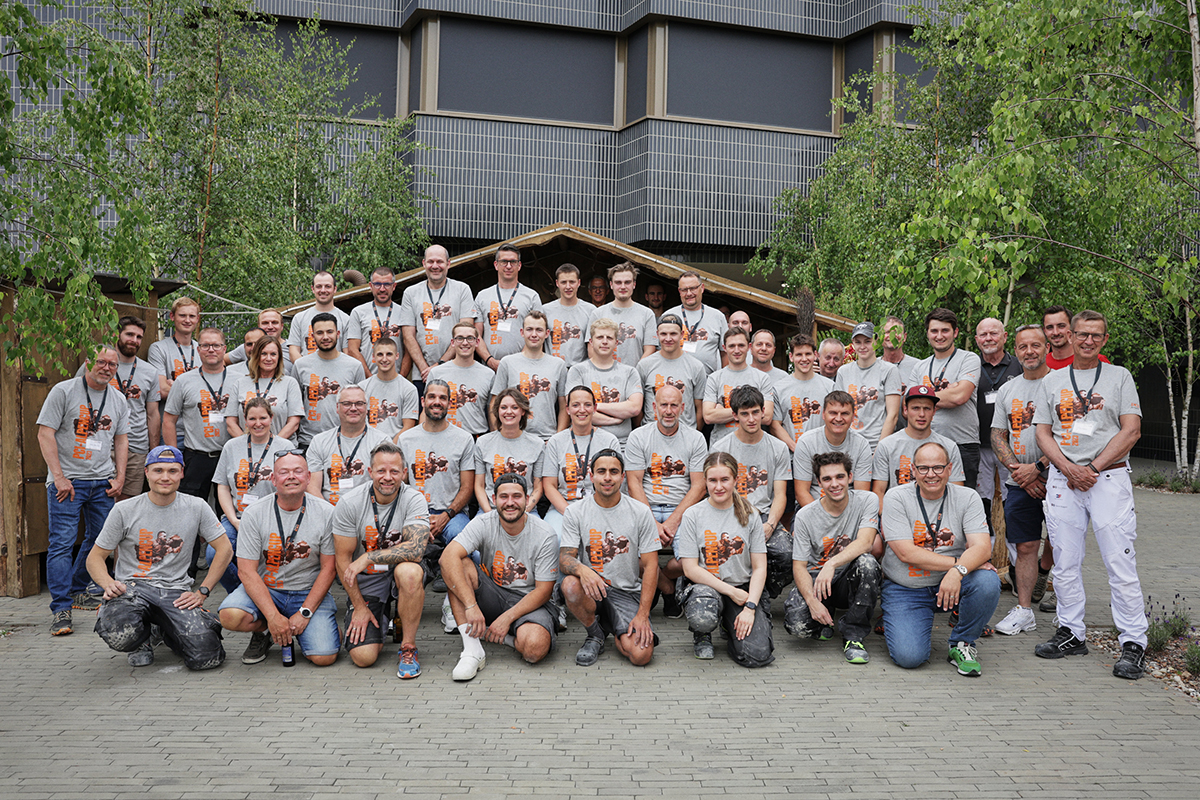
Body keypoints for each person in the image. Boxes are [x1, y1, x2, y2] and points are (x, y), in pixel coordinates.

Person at [1033, 310, 1147, 679]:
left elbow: (1131, 430)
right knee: (1065, 561)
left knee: (1119, 560)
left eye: (1096, 335)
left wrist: (1093, 468)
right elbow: (1042, 432)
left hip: (1107, 478)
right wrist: (1068, 468)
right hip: (1063, 480)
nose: (1088, 341)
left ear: (1105, 339)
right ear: (1069, 335)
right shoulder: (1052, 380)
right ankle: (1071, 631)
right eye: (1082, 334)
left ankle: (1134, 642)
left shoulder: (1119, 377)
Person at [88, 445, 231, 668]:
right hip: (132, 589)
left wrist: (203, 590)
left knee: (206, 657)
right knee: (118, 631)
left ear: (182, 473)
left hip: (175, 591)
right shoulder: (124, 509)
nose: (165, 477)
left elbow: (225, 548)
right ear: (147, 472)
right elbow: (95, 557)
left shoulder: (196, 506)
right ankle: (140, 640)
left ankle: (166, 629)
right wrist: (108, 584)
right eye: (158, 470)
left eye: (172, 471)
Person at [880, 441, 1000, 675]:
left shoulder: (968, 497)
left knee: (987, 581)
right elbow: (906, 553)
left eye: (938, 467)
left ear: (949, 469)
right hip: (906, 587)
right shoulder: (896, 497)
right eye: (923, 468)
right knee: (910, 657)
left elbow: (983, 548)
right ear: (913, 470)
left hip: (952, 583)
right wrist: (957, 566)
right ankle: (902, 618)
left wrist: (957, 573)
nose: (931, 474)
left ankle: (962, 643)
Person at [37, 345, 130, 634]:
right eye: (101, 362)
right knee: (62, 544)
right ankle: (61, 609)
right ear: (88, 363)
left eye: (112, 364)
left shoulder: (118, 399)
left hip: (102, 482)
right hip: (68, 483)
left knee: (101, 541)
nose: (106, 368)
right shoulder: (64, 391)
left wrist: (120, 477)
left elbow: (121, 439)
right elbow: (45, 433)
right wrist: (59, 477)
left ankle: (78, 589)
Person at [217, 451, 340, 668]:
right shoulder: (254, 513)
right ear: (273, 479)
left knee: (324, 657)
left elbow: (329, 569)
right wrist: (272, 616)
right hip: (269, 589)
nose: (291, 476)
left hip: (306, 591)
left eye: (298, 471)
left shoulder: (327, 512)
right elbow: (246, 571)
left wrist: (305, 613)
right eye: (284, 472)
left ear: (308, 477)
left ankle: (314, 628)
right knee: (230, 616)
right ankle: (267, 629)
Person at [440, 474, 560, 680]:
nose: (510, 502)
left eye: (516, 496)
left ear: (527, 499)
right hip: (492, 593)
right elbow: (447, 557)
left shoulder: (545, 533)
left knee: (534, 650)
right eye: (504, 497)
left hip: (528, 601)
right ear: (494, 499)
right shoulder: (483, 522)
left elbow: (544, 591)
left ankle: (499, 635)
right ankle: (472, 650)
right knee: (457, 564)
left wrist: (506, 619)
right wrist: (471, 606)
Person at [334, 442, 433, 677]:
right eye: (381, 471)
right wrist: (359, 607)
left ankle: (408, 647)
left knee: (410, 572)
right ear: (370, 472)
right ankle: (385, 615)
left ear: (404, 473)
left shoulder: (414, 498)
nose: (387, 477)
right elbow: (342, 560)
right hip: (369, 580)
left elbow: (416, 549)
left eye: (394, 471)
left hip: (400, 571)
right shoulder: (350, 502)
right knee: (363, 657)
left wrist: (369, 557)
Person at [560, 450, 660, 666]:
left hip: (627, 592)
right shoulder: (575, 511)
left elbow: (652, 566)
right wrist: (583, 570)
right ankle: (595, 634)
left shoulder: (640, 512)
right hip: (592, 589)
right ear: (591, 475)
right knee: (569, 585)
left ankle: (614, 627)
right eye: (601, 471)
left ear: (623, 477)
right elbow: (565, 559)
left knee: (641, 655)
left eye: (614, 472)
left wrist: (643, 614)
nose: (607, 477)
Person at [676, 452, 774, 666]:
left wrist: (750, 607)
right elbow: (690, 569)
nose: (719, 486)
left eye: (725, 479)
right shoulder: (693, 515)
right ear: (705, 481)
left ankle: (730, 625)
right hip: (707, 588)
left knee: (756, 655)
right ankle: (702, 633)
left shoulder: (751, 515)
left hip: (742, 591)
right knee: (703, 613)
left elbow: (759, 567)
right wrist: (729, 591)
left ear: (735, 480)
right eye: (713, 480)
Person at [783, 452, 881, 664]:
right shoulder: (805, 516)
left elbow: (866, 542)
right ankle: (824, 617)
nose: (834, 484)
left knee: (868, 563)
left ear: (850, 477)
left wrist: (832, 563)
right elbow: (799, 566)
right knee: (798, 625)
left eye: (840, 477)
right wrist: (811, 601)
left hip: (847, 578)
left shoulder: (867, 500)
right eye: (827, 479)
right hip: (817, 582)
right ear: (819, 483)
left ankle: (854, 634)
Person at [990, 324, 1052, 636]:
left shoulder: (1060, 385)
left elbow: (1068, 437)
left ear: (1047, 348)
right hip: (1020, 482)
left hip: (1059, 480)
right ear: (1015, 351)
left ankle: (1069, 611)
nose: (1030, 351)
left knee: (1065, 545)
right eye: (1023, 346)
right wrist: (1021, 473)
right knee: (1026, 546)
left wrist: (1038, 468)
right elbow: (997, 435)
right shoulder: (1008, 390)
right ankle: (1024, 610)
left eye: (1036, 345)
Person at [625, 385, 708, 617]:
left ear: (683, 408)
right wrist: (651, 521)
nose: (669, 411)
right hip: (645, 508)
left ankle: (661, 579)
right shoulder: (638, 437)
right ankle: (668, 589)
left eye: (674, 405)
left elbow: (699, 486)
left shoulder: (696, 439)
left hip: (682, 510)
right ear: (654, 407)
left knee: (695, 560)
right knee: (627, 556)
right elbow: (633, 483)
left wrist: (672, 521)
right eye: (664, 405)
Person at [710, 386, 793, 599]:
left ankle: (761, 592)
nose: (751, 419)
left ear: (763, 411)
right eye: (745, 414)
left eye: (755, 412)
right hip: (729, 515)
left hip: (763, 515)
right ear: (735, 415)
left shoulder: (778, 448)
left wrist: (770, 525)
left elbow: (780, 494)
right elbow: (715, 494)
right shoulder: (721, 448)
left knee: (787, 554)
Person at [210, 396, 296, 592]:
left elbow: (292, 489)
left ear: (271, 418)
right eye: (252, 419)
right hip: (238, 517)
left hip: (272, 518)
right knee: (213, 554)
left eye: (263, 418)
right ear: (245, 420)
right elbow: (222, 486)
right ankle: (243, 591)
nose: (258, 424)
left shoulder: (285, 447)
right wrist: (233, 520)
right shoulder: (231, 447)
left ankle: (260, 592)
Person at [75, 316, 160, 500]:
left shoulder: (150, 372)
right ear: (116, 334)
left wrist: (154, 453)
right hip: (100, 444)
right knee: (100, 503)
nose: (134, 340)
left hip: (136, 448)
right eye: (129, 334)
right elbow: (77, 401)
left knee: (128, 504)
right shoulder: (95, 364)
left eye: (139, 337)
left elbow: (153, 414)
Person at [913, 308, 982, 489]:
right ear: (928, 333)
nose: (939, 336)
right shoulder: (919, 367)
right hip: (926, 444)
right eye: (934, 331)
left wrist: (923, 398)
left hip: (963, 444)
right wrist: (949, 391)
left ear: (955, 332)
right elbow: (910, 408)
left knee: (963, 500)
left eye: (945, 330)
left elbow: (960, 396)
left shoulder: (969, 359)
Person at [541, 385, 621, 539]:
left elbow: (616, 482)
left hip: (601, 508)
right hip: (563, 509)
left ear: (595, 408)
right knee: (554, 539)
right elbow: (549, 486)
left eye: (587, 405)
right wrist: (571, 513)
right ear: (568, 409)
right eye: (576, 405)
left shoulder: (609, 441)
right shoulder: (556, 442)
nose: (582, 410)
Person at [162, 328, 232, 501]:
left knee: (227, 508)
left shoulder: (240, 379)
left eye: (216, 345)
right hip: (196, 457)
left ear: (224, 349)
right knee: (190, 507)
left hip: (229, 456)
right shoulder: (183, 381)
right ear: (198, 349)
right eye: (205, 345)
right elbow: (169, 420)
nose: (211, 350)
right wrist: (175, 458)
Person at [870, 385, 967, 505]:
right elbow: (878, 493)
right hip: (898, 510)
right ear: (905, 410)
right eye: (915, 408)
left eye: (927, 408)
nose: (921, 414)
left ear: (934, 411)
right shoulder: (887, 445)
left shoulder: (949, 447)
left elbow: (957, 493)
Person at [399, 244, 475, 392]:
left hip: (455, 369)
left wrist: (440, 365)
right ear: (424, 263)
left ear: (448, 264)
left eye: (440, 261)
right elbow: (408, 336)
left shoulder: (462, 290)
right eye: (430, 261)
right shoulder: (411, 293)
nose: (435, 266)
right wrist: (425, 369)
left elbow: (466, 331)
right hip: (421, 374)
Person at [974, 317, 1023, 534]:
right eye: (983, 335)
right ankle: (987, 542)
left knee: (1012, 494)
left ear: (1004, 337)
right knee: (981, 498)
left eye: (993, 333)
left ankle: (1012, 543)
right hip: (979, 444)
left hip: (1010, 446)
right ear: (977, 339)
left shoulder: (1019, 365)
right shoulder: (971, 366)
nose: (988, 338)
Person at [566, 318, 643, 449]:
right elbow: (577, 411)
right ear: (591, 341)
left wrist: (594, 407)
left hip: (621, 445)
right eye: (600, 337)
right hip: (585, 444)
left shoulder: (630, 372)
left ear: (616, 342)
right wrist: (613, 420)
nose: (605, 341)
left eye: (609, 338)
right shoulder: (577, 371)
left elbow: (634, 408)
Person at [305, 386, 390, 505]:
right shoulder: (319, 441)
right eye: (347, 404)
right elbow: (312, 487)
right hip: (328, 511)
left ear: (367, 408)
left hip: (367, 511)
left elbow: (385, 484)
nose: (353, 408)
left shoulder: (381, 442)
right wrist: (329, 513)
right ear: (337, 407)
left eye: (359, 403)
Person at [491, 310, 567, 441]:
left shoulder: (558, 365)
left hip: (547, 438)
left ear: (547, 333)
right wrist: (501, 435)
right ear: (522, 332)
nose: (534, 334)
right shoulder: (507, 363)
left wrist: (556, 440)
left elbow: (564, 407)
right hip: (514, 437)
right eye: (529, 329)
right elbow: (494, 403)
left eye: (539, 330)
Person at [293, 313, 367, 447]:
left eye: (330, 332)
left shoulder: (354, 366)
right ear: (312, 336)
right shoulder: (300, 365)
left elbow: (362, 406)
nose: (325, 337)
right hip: (308, 441)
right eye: (320, 333)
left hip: (345, 440)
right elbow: (295, 406)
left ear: (338, 334)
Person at [792, 391, 873, 508]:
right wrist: (824, 516)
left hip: (849, 509)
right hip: (812, 507)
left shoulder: (862, 445)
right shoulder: (806, 442)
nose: (839, 418)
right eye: (833, 413)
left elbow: (861, 494)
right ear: (823, 414)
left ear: (853, 416)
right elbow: (801, 493)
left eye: (845, 413)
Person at [834, 321, 902, 453]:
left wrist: (879, 450)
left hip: (877, 444)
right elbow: (839, 410)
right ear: (853, 344)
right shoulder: (843, 371)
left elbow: (893, 415)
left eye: (867, 341)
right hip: (848, 446)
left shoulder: (889, 370)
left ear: (876, 342)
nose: (862, 346)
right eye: (858, 342)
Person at [475, 388, 545, 513]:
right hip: (490, 509)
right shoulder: (483, 443)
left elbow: (538, 487)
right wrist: (489, 513)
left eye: (514, 407)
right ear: (497, 411)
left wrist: (523, 512)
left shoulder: (537, 444)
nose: (508, 412)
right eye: (503, 407)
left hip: (526, 511)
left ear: (523, 411)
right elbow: (479, 486)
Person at [474, 244, 544, 368]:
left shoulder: (531, 296)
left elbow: (538, 334)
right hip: (488, 368)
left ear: (519, 265)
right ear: (496, 265)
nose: (508, 266)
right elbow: (476, 334)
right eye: (504, 262)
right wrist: (490, 360)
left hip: (522, 367)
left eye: (513, 262)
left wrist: (518, 362)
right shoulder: (482, 296)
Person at [226, 334, 303, 441]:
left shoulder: (290, 383)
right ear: (256, 356)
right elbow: (231, 422)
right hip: (247, 448)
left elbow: (294, 422)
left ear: (279, 357)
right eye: (263, 354)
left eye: (273, 354)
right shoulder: (240, 383)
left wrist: (272, 444)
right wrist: (247, 444)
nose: (268, 358)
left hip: (282, 447)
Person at [636, 313, 707, 431]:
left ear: (682, 334)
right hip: (651, 433)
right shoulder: (644, 365)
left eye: (673, 334)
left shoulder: (696, 366)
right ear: (657, 334)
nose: (668, 339)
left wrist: (692, 433)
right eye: (663, 334)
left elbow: (700, 408)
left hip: (685, 433)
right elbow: (638, 406)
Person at [702, 327, 775, 435]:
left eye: (741, 345)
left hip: (752, 441)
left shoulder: (762, 378)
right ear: (724, 348)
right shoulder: (714, 378)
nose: (736, 350)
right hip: (721, 442)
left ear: (749, 347)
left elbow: (767, 417)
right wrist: (754, 411)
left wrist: (722, 411)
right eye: (732, 346)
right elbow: (708, 416)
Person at [427, 322, 495, 436]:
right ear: (452, 342)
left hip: (476, 438)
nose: (465, 343)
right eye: (460, 338)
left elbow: (492, 411)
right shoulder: (436, 373)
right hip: (444, 437)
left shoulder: (489, 375)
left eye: (470, 338)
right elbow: (427, 410)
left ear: (477, 342)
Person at [769, 333, 834, 451]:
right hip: (791, 455)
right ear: (791, 357)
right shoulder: (779, 388)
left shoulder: (830, 387)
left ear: (815, 355)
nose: (804, 359)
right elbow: (775, 425)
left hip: (823, 453)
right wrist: (796, 448)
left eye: (808, 354)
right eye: (799, 354)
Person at [584, 262, 657, 365]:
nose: (623, 287)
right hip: (604, 372)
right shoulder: (598, 314)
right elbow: (591, 349)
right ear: (611, 285)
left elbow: (650, 349)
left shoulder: (647, 314)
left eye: (627, 282)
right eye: (618, 282)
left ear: (634, 284)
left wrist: (635, 372)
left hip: (636, 373)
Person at [663, 270, 728, 374]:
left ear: (702, 288)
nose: (689, 293)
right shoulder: (668, 317)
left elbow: (725, 353)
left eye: (693, 288)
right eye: (684, 290)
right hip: (675, 379)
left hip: (708, 380)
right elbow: (660, 350)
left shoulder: (717, 317)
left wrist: (724, 378)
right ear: (679, 291)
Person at [356, 336, 419, 439]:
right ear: (373, 357)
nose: (384, 359)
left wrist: (390, 447)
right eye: (380, 354)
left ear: (397, 356)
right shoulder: (362, 387)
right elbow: (357, 423)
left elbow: (408, 427)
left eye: (389, 354)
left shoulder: (409, 389)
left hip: (396, 445)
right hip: (368, 443)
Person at [347, 266, 403, 375]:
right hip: (366, 379)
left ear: (394, 286)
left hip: (395, 378)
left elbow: (409, 350)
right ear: (371, 286)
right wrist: (369, 378)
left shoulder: (403, 312)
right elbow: (352, 350)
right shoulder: (358, 312)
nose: (382, 289)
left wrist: (401, 378)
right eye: (377, 284)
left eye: (387, 284)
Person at [287, 270, 350, 364]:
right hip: (307, 371)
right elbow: (293, 351)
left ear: (335, 289)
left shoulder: (346, 319)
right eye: (319, 286)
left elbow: (347, 353)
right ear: (313, 289)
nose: (323, 290)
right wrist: (306, 369)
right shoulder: (299, 318)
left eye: (328, 286)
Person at [147, 296, 200, 405]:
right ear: (172, 316)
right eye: (182, 315)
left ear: (197, 319)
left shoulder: (203, 350)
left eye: (192, 316)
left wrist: (175, 387)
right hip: (170, 415)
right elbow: (162, 390)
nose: (187, 320)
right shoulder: (158, 349)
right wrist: (197, 392)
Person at [543, 263, 596, 367]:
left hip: (580, 369)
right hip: (552, 368)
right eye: (563, 282)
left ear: (579, 282)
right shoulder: (545, 310)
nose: (568, 287)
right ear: (557, 283)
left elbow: (593, 346)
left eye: (572, 282)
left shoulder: (590, 310)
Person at [226, 308, 295, 378]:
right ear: (259, 326)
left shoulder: (293, 348)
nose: (270, 327)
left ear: (282, 326)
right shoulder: (249, 347)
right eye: (265, 323)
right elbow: (222, 360)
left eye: (274, 322)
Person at [1043, 304, 1111, 370]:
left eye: (1061, 326)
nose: (1056, 332)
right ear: (1044, 331)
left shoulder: (1098, 361)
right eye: (1049, 327)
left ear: (1071, 328)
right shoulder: (1042, 364)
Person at [881, 316, 922, 393]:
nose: (892, 336)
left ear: (904, 337)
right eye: (887, 332)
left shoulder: (918, 366)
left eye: (897, 332)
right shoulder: (873, 366)